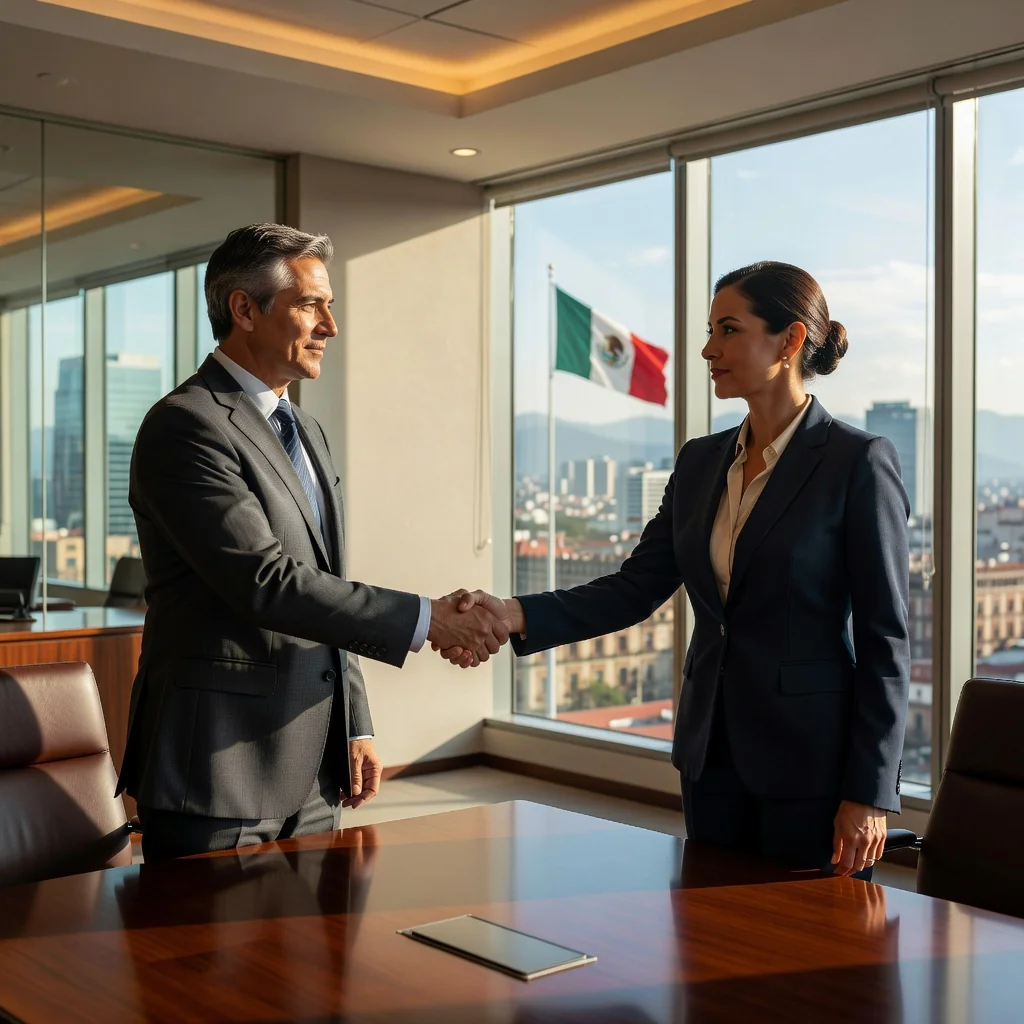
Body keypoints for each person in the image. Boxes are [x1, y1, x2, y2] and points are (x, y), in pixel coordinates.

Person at [442, 261, 911, 878]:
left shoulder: (857, 462)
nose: (707, 349)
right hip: (709, 754)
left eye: (728, 330)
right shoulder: (700, 462)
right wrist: (515, 613)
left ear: (791, 340)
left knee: (811, 958)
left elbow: (886, 638)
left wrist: (870, 791)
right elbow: (635, 588)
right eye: (710, 330)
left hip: (811, 766)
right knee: (706, 941)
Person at [118, 223, 508, 861]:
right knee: (201, 960)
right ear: (244, 308)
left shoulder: (306, 430)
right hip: (219, 770)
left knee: (312, 961)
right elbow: (265, 583)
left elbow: (326, 580)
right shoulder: (185, 426)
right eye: (310, 304)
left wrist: (354, 721)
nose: (330, 325)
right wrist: (428, 619)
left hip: (315, 767)